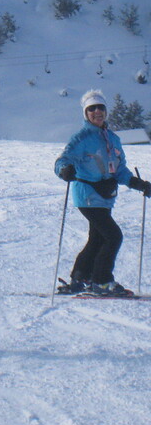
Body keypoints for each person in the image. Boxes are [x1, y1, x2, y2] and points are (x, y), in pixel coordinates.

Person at [54, 90, 151, 296]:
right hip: (87, 195)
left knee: (97, 238)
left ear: (106, 111)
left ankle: (80, 277)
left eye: (101, 108)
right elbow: (62, 160)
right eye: (92, 109)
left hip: (105, 197)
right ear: (86, 113)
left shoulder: (113, 139)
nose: (97, 112)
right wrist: (64, 170)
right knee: (113, 236)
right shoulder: (82, 138)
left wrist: (139, 184)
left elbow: (120, 170)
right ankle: (102, 281)